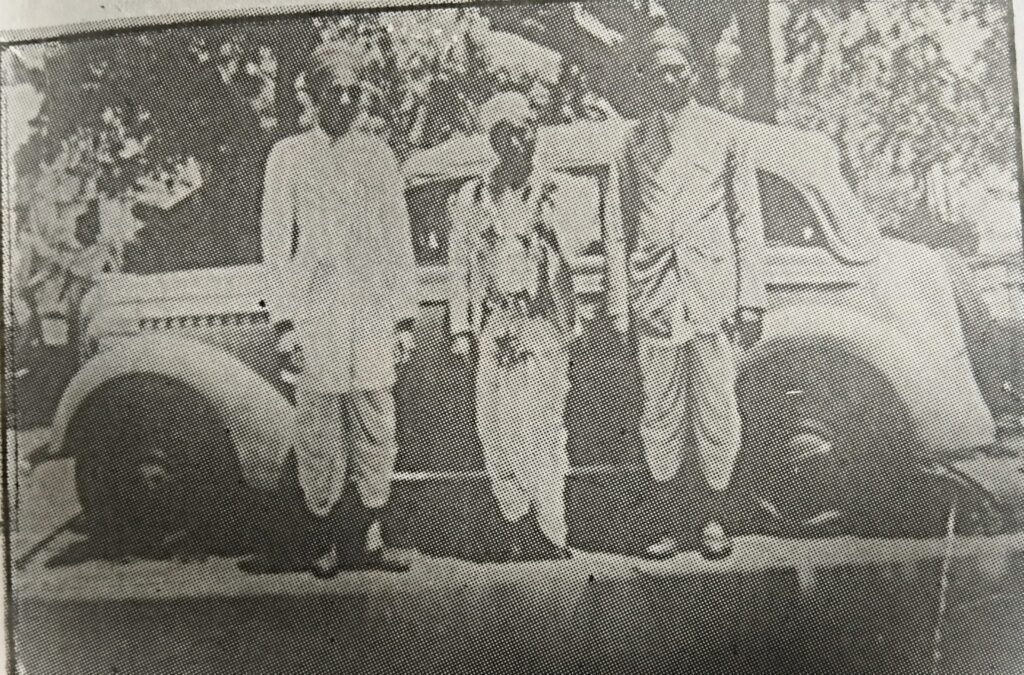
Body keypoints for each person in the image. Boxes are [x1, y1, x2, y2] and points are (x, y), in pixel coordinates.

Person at [606, 25, 767, 560]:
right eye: (659, 71)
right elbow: (618, 227)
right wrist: (622, 304)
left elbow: (746, 218)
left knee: (718, 406)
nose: (670, 78)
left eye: (678, 69)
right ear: (646, 77)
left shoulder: (724, 134)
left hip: (712, 292)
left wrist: (750, 297)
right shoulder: (631, 141)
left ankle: (714, 516)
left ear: (693, 73)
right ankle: (670, 517)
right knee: (660, 410)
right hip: (655, 295)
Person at [259, 41, 418, 577]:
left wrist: (402, 318)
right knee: (319, 429)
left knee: (377, 424)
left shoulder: (379, 155)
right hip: (316, 313)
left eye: (353, 91)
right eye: (335, 91)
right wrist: (284, 323)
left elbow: (399, 240)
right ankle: (323, 537)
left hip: (370, 310)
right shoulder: (288, 156)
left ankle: (370, 536)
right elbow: (276, 243)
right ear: (315, 95)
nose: (345, 100)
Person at [448, 92, 576, 561]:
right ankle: (514, 520)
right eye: (509, 133)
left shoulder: (554, 190)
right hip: (496, 321)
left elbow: (576, 253)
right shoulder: (472, 197)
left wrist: (548, 225)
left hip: (542, 322)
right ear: (494, 141)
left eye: (527, 130)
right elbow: (460, 265)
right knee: (497, 426)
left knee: (543, 424)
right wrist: (461, 327)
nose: (520, 142)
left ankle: (549, 526)